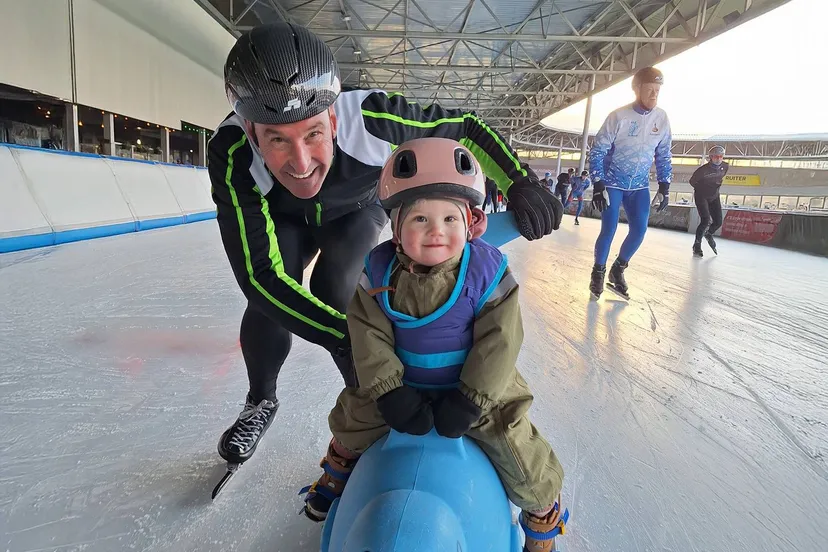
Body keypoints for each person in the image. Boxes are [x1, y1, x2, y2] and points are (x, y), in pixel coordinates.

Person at [207, 22, 564, 494]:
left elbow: (467, 128)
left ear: (334, 118)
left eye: (313, 134)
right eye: (276, 140)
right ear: (250, 131)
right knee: (274, 302)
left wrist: (521, 181)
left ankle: (366, 401)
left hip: (355, 211)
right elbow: (261, 276)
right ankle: (261, 400)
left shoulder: (373, 116)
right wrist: (346, 341)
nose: (301, 162)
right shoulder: (230, 151)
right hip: (282, 219)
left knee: (340, 286)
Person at [302, 138, 568, 551]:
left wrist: (473, 399)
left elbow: (500, 340)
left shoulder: (487, 272)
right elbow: (368, 334)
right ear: (396, 227)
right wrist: (389, 391)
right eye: (420, 219)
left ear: (471, 221)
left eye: (449, 218)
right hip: (401, 385)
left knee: (516, 448)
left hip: (477, 392)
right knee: (352, 417)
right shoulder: (377, 271)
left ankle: (541, 510)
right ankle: (337, 468)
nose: (436, 232)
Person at [587, 66, 673, 300]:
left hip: (639, 186)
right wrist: (598, 183)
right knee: (609, 229)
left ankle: (618, 269)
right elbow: (597, 151)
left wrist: (665, 186)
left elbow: (664, 154)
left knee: (640, 230)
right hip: (613, 182)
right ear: (637, 89)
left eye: (658, 90)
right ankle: (598, 272)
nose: (654, 95)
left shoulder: (661, 118)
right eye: (649, 90)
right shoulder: (619, 116)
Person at [690, 145, 729, 256]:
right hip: (701, 196)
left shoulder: (725, 167)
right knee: (705, 220)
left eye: (720, 156)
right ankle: (697, 245)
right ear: (710, 157)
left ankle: (709, 234)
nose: (718, 159)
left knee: (718, 222)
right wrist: (702, 189)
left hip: (714, 196)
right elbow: (692, 182)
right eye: (715, 156)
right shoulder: (702, 170)